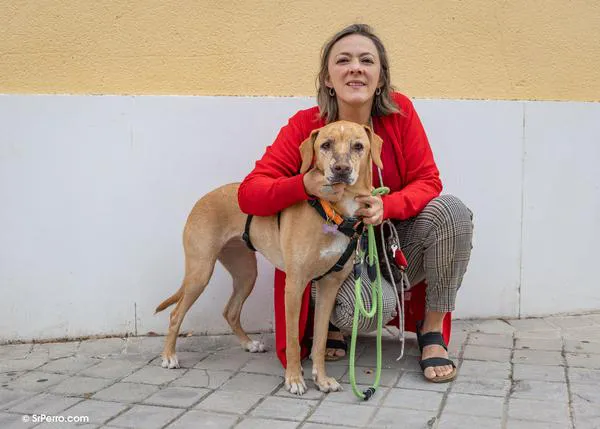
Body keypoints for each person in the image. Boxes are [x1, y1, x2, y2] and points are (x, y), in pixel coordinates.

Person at [238, 24, 473, 383]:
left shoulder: (400, 114)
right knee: (364, 313)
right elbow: (250, 193)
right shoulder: (307, 127)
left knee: (453, 213)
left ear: (380, 78)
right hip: (335, 247)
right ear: (328, 78)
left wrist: (387, 206)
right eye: (343, 60)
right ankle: (332, 322)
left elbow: (429, 181)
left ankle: (432, 332)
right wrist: (304, 184)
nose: (356, 68)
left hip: (389, 244)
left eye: (367, 61)